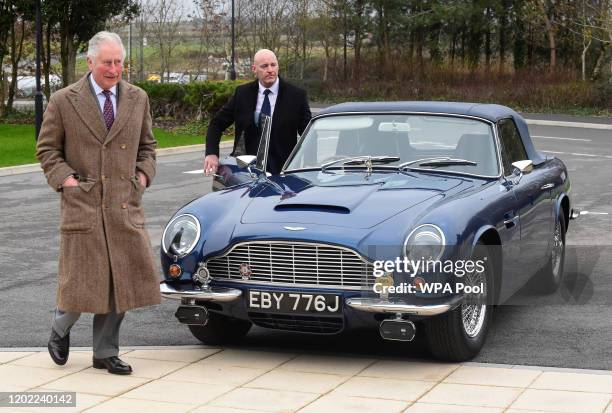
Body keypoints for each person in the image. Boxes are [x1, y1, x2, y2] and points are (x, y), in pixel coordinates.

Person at [36, 31, 160, 375]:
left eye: (119, 62)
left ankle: (105, 352)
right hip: (83, 204)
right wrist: (68, 182)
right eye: (107, 62)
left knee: (119, 281)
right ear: (90, 62)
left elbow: (148, 147)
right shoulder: (64, 100)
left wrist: (142, 178)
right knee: (81, 283)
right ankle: (60, 329)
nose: (114, 68)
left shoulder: (138, 98)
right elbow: (47, 150)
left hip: (123, 204)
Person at [204, 49, 311, 175]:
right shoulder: (242, 94)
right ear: (254, 69)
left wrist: (310, 165)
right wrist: (211, 154)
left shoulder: (296, 96)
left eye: (273, 65)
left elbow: (309, 134)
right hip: (247, 173)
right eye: (264, 66)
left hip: (283, 174)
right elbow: (216, 124)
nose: (270, 70)